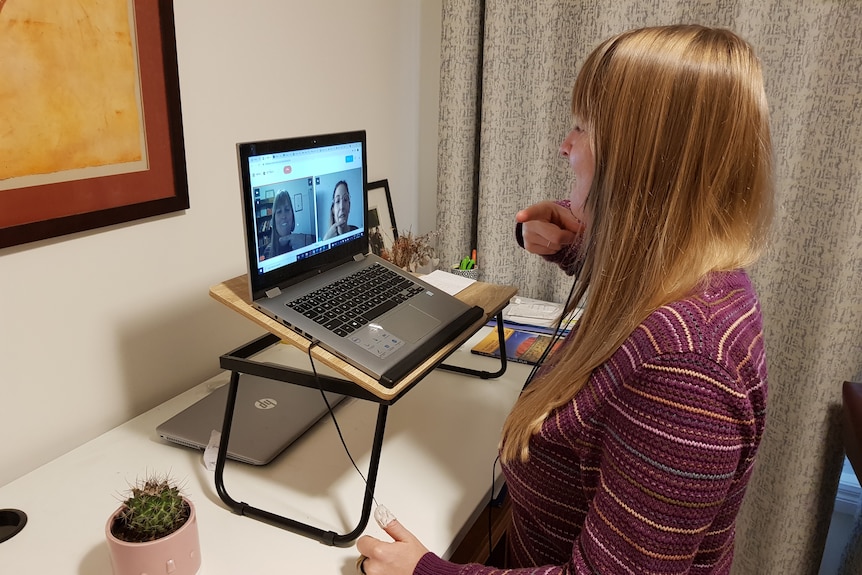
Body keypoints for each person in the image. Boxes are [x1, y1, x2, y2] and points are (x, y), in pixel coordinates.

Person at [356, 24, 773, 575]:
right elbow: (640, 293)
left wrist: (424, 571)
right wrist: (576, 248)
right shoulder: (696, 272)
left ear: (643, 162)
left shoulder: (687, 373)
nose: (565, 147)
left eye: (583, 129)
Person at [264, 191, 314, 259]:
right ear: (274, 220)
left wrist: (307, 241)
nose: (283, 216)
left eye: (287, 210)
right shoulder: (267, 252)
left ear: (292, 216)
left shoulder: (302, 240)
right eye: (279, 211)